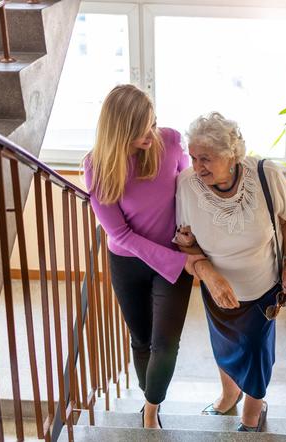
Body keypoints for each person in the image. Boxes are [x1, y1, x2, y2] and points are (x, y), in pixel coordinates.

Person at [83, 84, 205, 429]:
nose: (151, 133)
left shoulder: (169, 140)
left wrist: (188, 237)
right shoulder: (97, 167)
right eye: (142, 129)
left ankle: (151, 409)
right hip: (129, 262)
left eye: (153, 123)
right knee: (141, 340)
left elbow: (188, 187)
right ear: (120, 130)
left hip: (173, 257)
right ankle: (149, 393)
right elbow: (120, 234)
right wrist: (180, 262)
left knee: (165, 344)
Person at [174, 112, 286, 432]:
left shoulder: (265, 174)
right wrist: (208, 273)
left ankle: (252, 414)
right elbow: (185, 241)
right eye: (193, 157)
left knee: (257, 352)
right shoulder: (187, 184)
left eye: (206, 158)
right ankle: (229, 394)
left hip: (263, 287)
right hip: (216, 289)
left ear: (232, 155)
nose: (197, 165)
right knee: (226, 346)